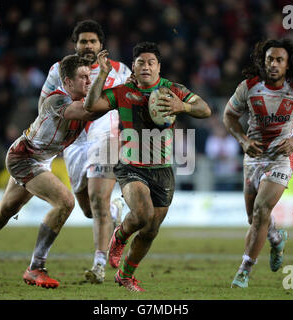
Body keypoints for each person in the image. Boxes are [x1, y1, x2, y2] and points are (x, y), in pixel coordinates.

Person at [84, 43, 212, 292]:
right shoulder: (122, 91)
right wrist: (101, 74)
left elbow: (205, 109)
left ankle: (126, 275)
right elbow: (91, 105)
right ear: (134, 66)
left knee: (151, 229)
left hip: (162, 168)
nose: (146, 66)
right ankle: (119, 236)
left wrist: (182, 107)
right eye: (140, 62)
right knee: (142, 215)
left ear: (159, 67)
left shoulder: (172, 91)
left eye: (151, 62)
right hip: (131, 165)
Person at [0, 54, 98, 288]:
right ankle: (36, 268)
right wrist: (112, 85)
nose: (88, 81)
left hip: (40, 158)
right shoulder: (57, 101)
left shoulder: (81, 100)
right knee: (65, 202)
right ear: (67, 82)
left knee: (8, 208)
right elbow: (89, 111)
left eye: (90, 76)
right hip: (24, 157)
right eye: (83, 77)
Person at [39, 20, 131, 284]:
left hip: (106, 137)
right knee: (89, 210)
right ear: (75, 45)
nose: (88, 46)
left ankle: (99, 265)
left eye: (93, 41)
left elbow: (132, 102)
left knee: (98, 200)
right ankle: (115, 213)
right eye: (83, 42)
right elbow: (44, 103)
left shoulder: (120, 70)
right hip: (74, 141)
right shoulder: (58, 70)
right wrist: (46, 135)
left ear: (101, 45)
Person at [223, 39, 293, 288]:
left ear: (288, 65)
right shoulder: (248, 87)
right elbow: (229, 116)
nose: (273, 64)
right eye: (269, 60)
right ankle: (276, 238)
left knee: (260, 212)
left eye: (279, 60)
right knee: (253, 218)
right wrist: (243, 140)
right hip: (254, 155)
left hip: (282, 157)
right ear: (262, 62)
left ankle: (244, 270)